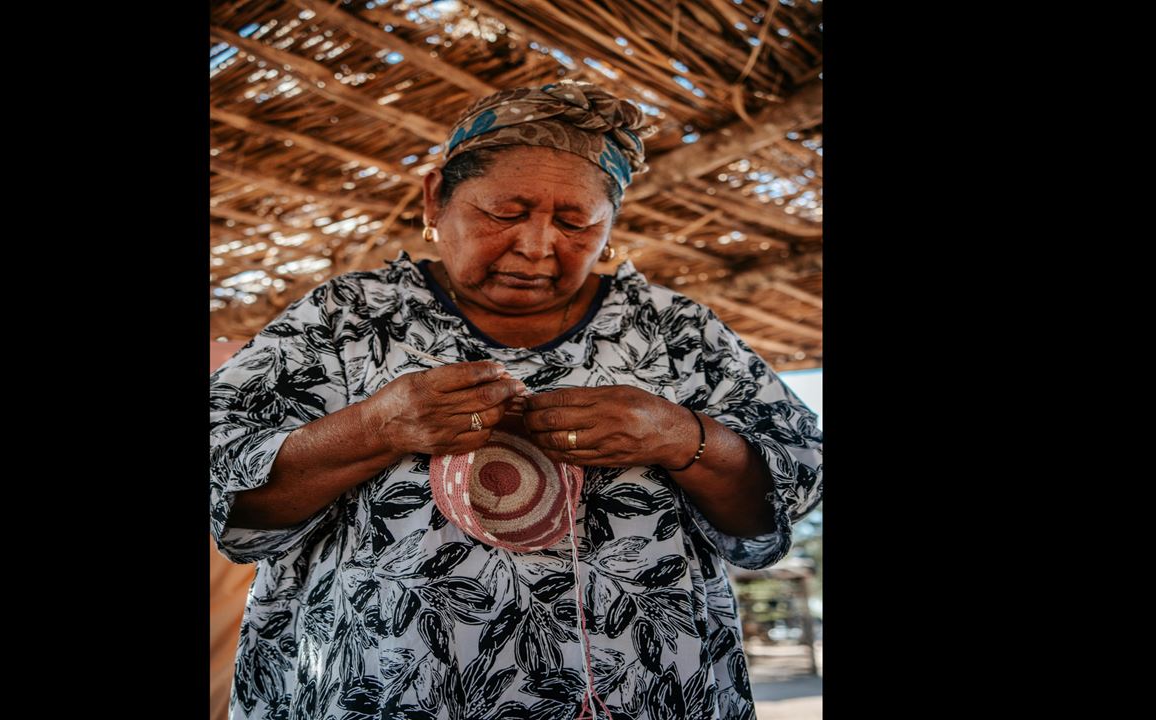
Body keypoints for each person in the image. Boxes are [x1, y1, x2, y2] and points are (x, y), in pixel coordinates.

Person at [210, 81, 823, 720]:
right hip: (385, 694)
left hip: (645, 696)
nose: (536, 246)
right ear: (435, 199)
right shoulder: (346, 318)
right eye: (505, 212)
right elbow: (224, 476)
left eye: (575, 221)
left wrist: (685, 437)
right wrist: (374, 428)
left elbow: (789, 485)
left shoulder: (675, 331)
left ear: (609, 225)